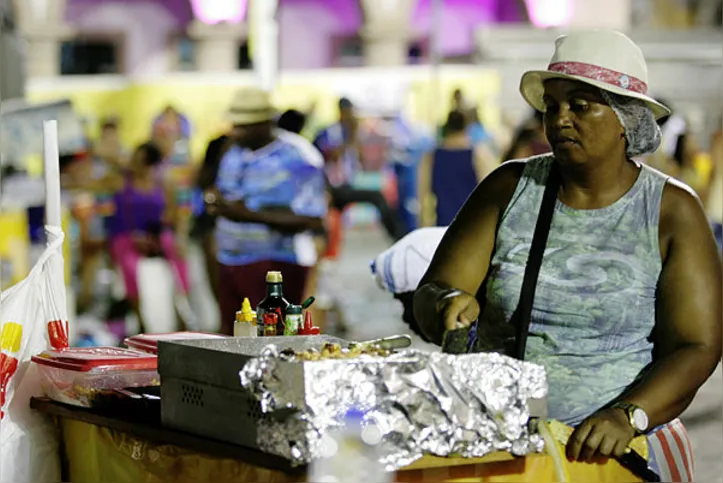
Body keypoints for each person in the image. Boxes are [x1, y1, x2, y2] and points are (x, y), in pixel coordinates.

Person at [413, 30, 720, 482]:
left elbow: (698, 345)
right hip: (503, 448)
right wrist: (444, 304)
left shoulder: (672, 211)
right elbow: (432, 291)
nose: (559, 119)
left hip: (613, 456)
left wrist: (628, 415)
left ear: (626, 120)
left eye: (580, 105)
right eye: (551, 106)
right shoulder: (508, 189)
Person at [204, 88, 328, 335]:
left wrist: (248, 215)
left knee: (271, 339)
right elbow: (227, 195)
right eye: (236, 125)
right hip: (231, 260)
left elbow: (313, 219)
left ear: (266, 123)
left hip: (276, 265)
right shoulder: (234, 152)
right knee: (234, 339)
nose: (236, 132)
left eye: (245, 126)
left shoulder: (297, 156)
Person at [314, 97, 404, 241]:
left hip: (348, 182)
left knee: (379, 198)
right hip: (334, 186)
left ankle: (397, 235)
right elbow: (332, 156)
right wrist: (351, 137)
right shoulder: (332, 132)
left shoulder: (351, 131)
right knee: (377, 197)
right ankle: (399, 236)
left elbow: (360, 159)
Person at [418, 110, 497, 227]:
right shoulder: (478, 155)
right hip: (470, 228)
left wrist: (423, 225)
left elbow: (422, 197)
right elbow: (489, 195)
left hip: (442, 227)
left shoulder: (431, 157)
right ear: (466, 127)